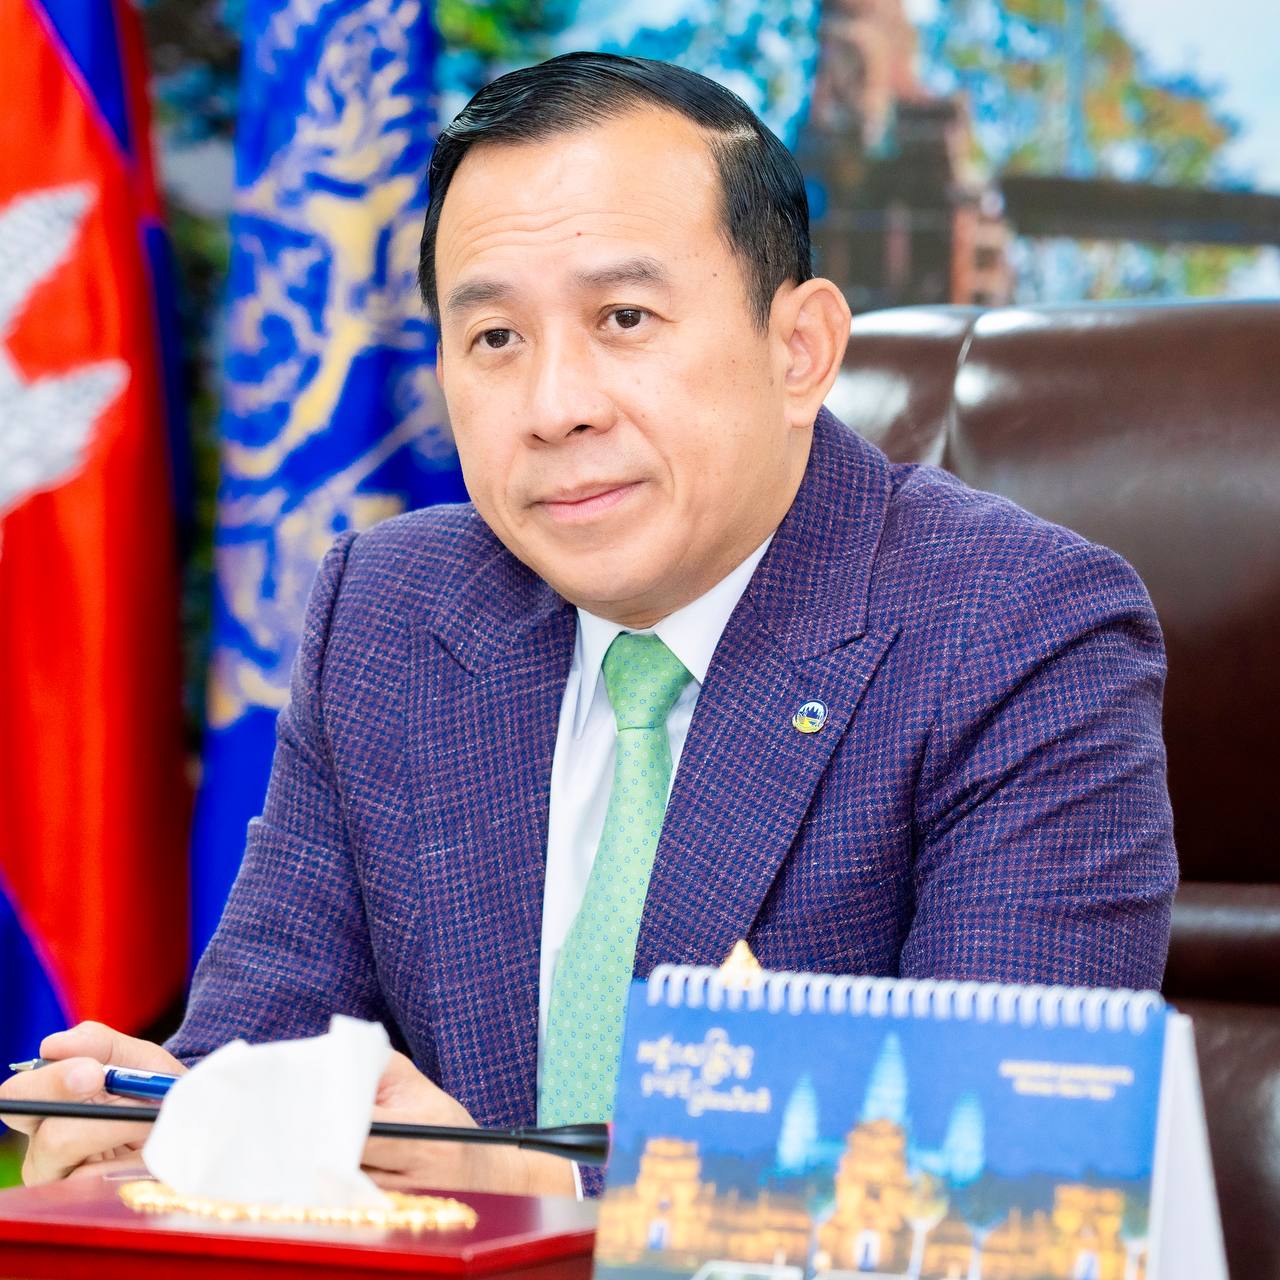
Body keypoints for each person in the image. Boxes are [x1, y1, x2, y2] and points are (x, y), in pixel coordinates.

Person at [0, 52, 1176, 1198]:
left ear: (798, 349)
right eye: (494, 339)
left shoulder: (1014, 631)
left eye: (622, 316)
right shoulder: (391, 612)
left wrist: (537, 1187)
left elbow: (1002, 1183)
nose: (554, 407)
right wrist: (167, 1135)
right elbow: (267, 1052)